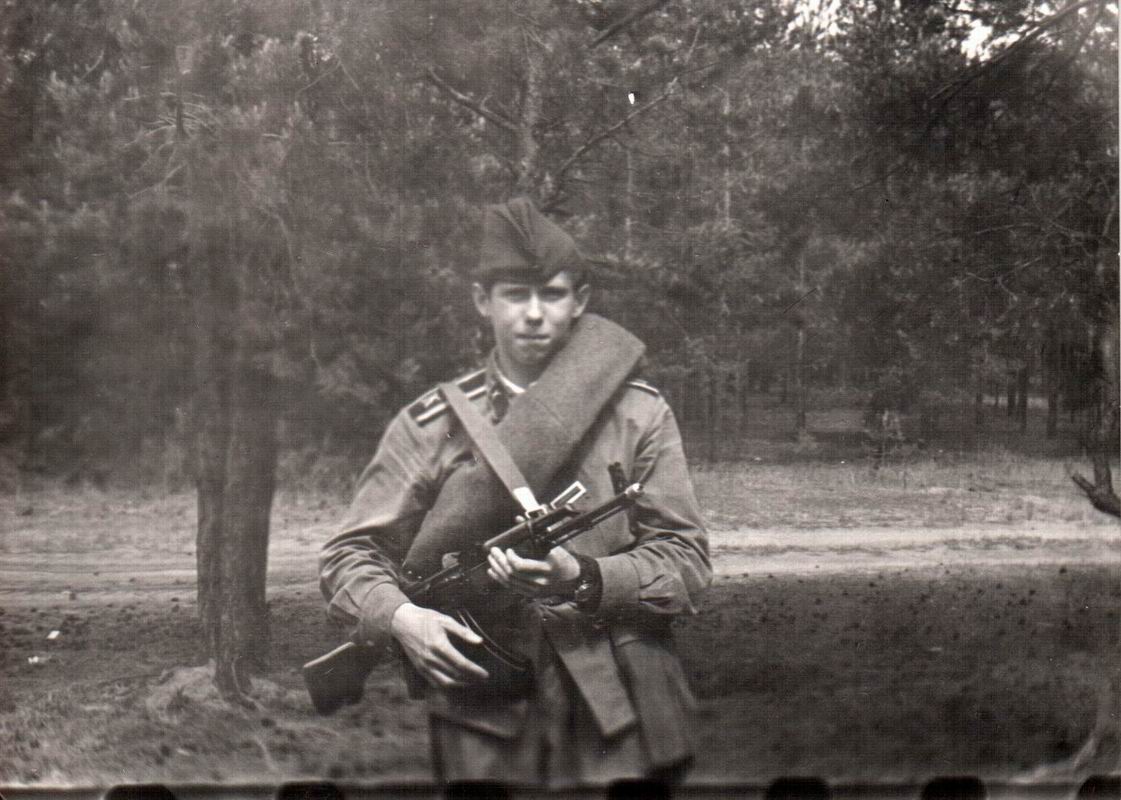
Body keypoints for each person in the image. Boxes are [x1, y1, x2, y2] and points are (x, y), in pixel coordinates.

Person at [318, 197, 711, 789]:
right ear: (483, 301)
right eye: (514, 296)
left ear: (580, 301)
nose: (533, 315)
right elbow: (349, 555)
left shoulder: (638, 413)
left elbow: (687, 561)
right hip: (487, 711)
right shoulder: (430, 425)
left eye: (551, 295)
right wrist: (402, 618)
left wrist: (585, 576)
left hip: (630, 708)